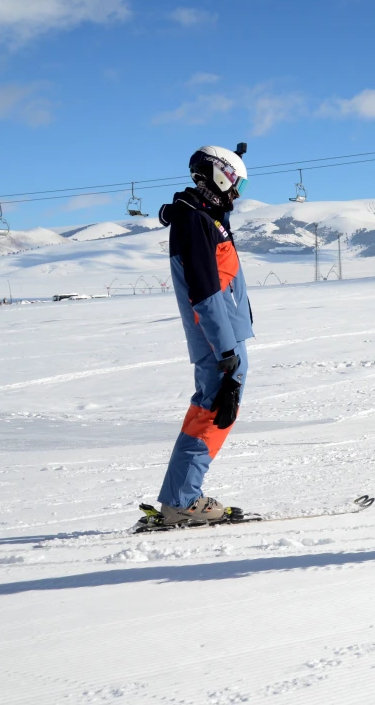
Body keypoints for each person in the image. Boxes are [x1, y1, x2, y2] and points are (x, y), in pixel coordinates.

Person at [155, 144, 254, 524]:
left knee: (208, 411)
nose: (236, 194)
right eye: (236, 184)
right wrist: (227, 350)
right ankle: (182, 502)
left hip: (223, 335)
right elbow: (206, 291)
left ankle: (179, 497)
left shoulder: (201, 216)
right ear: (219, 176)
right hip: (219, 339)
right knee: (216, 413)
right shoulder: (196, 221)